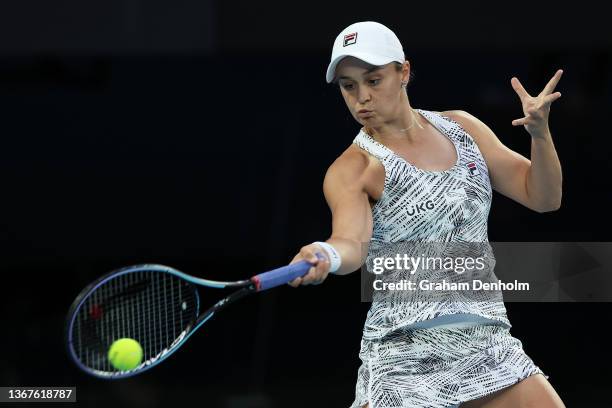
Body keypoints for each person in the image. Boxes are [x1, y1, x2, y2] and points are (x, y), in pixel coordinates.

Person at [288, 21, 565, 408]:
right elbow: (351, 242)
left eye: (373, 80)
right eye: (348, 86)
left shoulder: (462, 129)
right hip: (404, 356)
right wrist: (327, 254)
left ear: (403, 72)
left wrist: (540, 134)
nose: (361, 98)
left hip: (487, 345)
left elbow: (544, 196)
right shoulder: (354, 169)